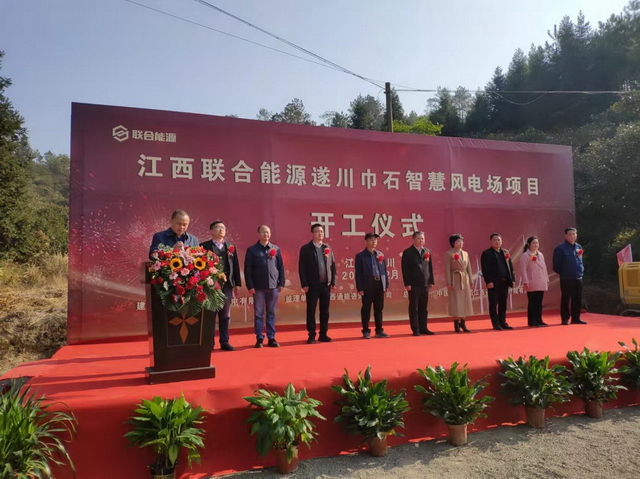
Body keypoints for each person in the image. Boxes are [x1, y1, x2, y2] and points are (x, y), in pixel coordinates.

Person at [200, 221, 242, 351]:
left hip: (227, 284)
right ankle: (209, 343)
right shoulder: (204, 246)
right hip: (210, 284)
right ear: (211, 231)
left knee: (225, 315)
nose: (221, 230)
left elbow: (235, 265)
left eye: (223, 227)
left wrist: (237, 284)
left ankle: (224, 341)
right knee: (210, 315)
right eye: (218, 228)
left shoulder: (230, 246)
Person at [244, 225, 286, 348]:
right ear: (258, 234)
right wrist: (250, 285)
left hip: (273, 286)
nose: (266, 234)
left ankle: (271, 337)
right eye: (263, 232)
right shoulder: (252, 250)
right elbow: (247, 269)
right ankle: (259, 338)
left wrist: (281, 283)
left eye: (268, 232)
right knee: (259, 313)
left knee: (271, 312)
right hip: (258, 287)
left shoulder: (275, 249)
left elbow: (281, 267)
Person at [298, 224, 337, 344]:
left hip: (326, 285)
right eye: (317, 231)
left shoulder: (328, 247)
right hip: (312, 285)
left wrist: (333, 281)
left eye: (321, 231)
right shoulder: (306, 249)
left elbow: (333, 266)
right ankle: (311, 335)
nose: (320, 233)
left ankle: (323, 334)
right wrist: (304, 283)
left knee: (325, 311)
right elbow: (302, 268)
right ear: (312, 233)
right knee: (311, 310)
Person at [355, 233, 390, 339]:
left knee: (379, 309)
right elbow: (358, 273)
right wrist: (360, 288)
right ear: (366, 241)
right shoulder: (361, 256)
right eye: (371, 239)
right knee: (366, 309)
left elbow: (384, 271)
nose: (374, 241)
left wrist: (386, 285)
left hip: (379, 284)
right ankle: (366, 331)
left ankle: (379, 330)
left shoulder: (380, 254)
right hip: (367, 285)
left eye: (375, 240)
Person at [401, 231, 435, 336]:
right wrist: (407, 283)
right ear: (414, 239)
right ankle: (415, 328)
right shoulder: (408, 252)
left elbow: (430, 267)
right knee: (414, 307)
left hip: (425, 284)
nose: (421, 241)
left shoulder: (427, 251)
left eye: (422, 239)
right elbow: (405, 269)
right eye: (419, 239)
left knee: (423, 307)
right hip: (413, 284)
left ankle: (423, 327)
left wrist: (431, 281)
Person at [480, 233, 515, 331]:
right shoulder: (487, 253)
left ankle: (503, 322)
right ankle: (495, 323)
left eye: (498, 240)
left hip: (504, 282)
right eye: (495, 240)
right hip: (494, 283)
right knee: (493, 304)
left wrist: (512, 279)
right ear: (491, 241)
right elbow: (485, 269)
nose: (497, 242)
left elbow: (511, 267)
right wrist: (488, 281)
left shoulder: (505, 252)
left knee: (503, 304)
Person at [552, 227, 586, 325]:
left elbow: (580, 261)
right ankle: (565, 318)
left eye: (574, 234)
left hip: (578, 277)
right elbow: (556, 265)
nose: (572, 236)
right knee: (566, 298)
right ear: (566, 236)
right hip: (566, 278)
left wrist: (581, 270)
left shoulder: (578, 247)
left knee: (577, 298)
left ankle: (576, 318)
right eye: (570, 234)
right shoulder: (560, 248)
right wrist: (564, 273)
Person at [444, 234, 473, 333]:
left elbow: (468, 267)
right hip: (455, 278)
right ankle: (456, 323)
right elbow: (447, 269)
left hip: (464, 279)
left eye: (461, 241)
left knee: (465, 301)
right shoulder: (449, 254)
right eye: (458, 241)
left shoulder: (465, 253)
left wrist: (471, 280)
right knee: (456, 301)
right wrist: (449, 282)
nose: (461, 243)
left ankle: (463, 323)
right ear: (453, 243)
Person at [519, 236, 550, 327]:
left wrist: (546, 279)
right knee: (533, 302)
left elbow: (544, 268)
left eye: (537, 243)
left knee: (539, 302)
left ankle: (539, 320)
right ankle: (532, 321)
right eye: (534, 243)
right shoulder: (525, 255)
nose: (536, 245)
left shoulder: (540, 255)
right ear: (529, 244)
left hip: (541, 281)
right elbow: (523, 270)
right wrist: (525, 281)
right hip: (531, 281)